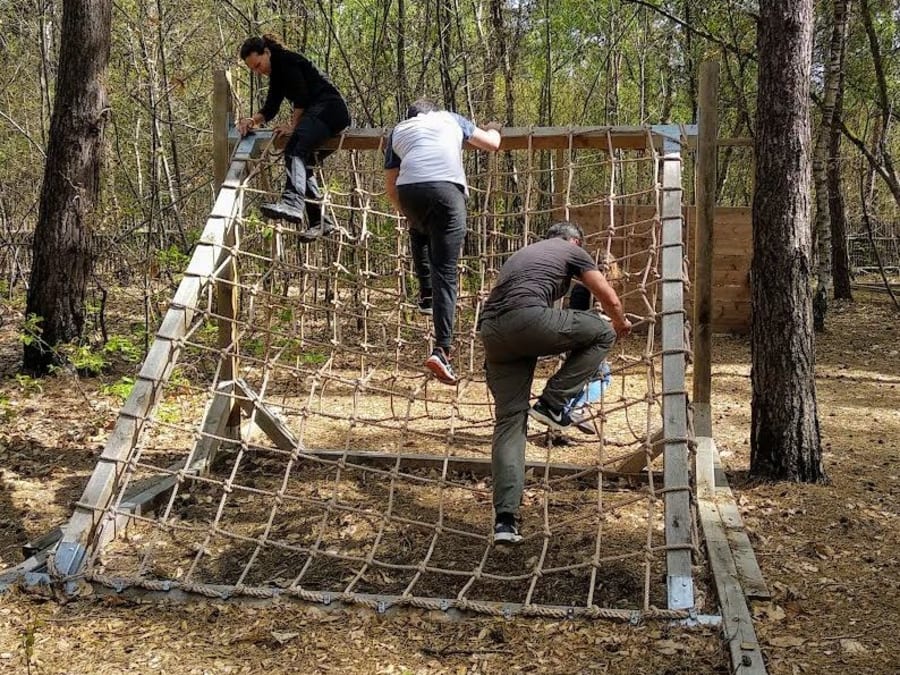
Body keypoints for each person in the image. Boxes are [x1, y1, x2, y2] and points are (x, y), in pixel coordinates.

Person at [478, 222, 632, 544]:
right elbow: (608, 296)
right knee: (603, 331)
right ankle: (553, 402)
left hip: (492, 333)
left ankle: (506, 520)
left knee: (509, 422)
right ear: (575, 240)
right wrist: (619, 322)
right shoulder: (572, 250)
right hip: (527, 320)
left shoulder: (523, 254)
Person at [384, 99, 501, 385]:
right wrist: (494, 128)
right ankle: (442, 350)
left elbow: (390, 187)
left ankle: (426, 296)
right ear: (433, 110)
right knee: (445, 273)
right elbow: (491, 144)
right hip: (447, 191)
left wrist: (408, 212)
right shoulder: (449, 119)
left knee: (419, 227)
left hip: (409, 191)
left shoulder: (398, 130)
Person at [237, 34, 351, 241]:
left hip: (329, 108)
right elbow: (270, 108)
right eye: (253, 69)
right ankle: (320, 221)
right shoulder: (277, 73)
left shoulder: (287, 60)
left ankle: (292, 203)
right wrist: (251, 121)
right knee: (303, 160)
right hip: (320, 113)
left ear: (267, 53)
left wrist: (293, 126)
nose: (258, 71)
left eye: (258, 64)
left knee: (294, 148)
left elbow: (302, 96)